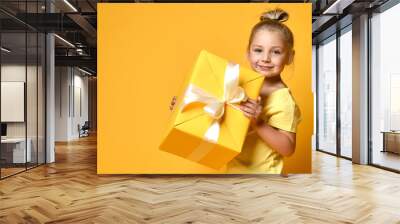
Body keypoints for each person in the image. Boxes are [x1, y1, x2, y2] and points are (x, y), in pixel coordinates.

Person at [226, 8, 301, 174]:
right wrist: (189, 103)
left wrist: (258, 123)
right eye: (258, 50)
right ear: (248, 52)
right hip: (233, 170)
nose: (265, 58)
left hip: (263, 177)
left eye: (276, 52)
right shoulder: (240, 86)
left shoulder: (284, 100)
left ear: (289, 56)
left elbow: (288, 148)